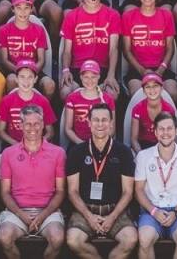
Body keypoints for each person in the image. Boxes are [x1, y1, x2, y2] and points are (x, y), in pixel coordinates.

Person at [64, 103, 137, 259]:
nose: (100, 124)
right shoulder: (76, 152)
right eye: (96, 120)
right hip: (84, 211)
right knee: (73, 240)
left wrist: (112, 217)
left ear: (111, 124)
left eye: (105, 120)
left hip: (115, 211)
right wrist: (89, 216)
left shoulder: (123, 152)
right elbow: (72, 191)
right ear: (89, 123)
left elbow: (128, 192)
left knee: (130, 239)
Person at [0, 105, 66, 259]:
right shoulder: (8, 153)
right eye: (28, 124)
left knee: (57, 238)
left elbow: (61, 191)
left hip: (48, 211)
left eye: (36, 123)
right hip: (17, 210)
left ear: (43, 125)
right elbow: (5, 192)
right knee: (4, 236)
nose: (32, 128)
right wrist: (21, 214)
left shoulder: (58, 153)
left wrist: (43, 215)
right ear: (20, 126)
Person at [133, 111, 177, 259]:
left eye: (169, 128)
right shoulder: (143, 156)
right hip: (151, 211)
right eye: (161, 129)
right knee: (144, 238)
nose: (165, 133)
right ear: (155, 132)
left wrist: (176, 212)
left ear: (176, 131)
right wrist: (154, 211)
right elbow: (139, 190)